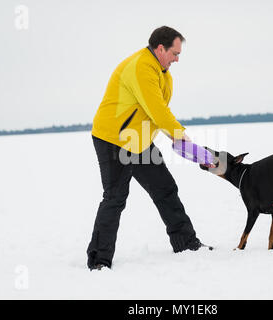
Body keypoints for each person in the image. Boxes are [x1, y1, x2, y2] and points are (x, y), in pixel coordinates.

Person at [87, 26, 210, 270]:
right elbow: (157, 110)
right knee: (115, 198)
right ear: (160, 48)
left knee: (165, 188)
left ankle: (185, 243)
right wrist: (182, 137)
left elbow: (157, 114)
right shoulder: (141, 68)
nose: (177, 58)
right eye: (175, 53)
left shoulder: (162, 72)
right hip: (114, 139)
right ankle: (99, 260)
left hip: (138, 140)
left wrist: (178, 141)